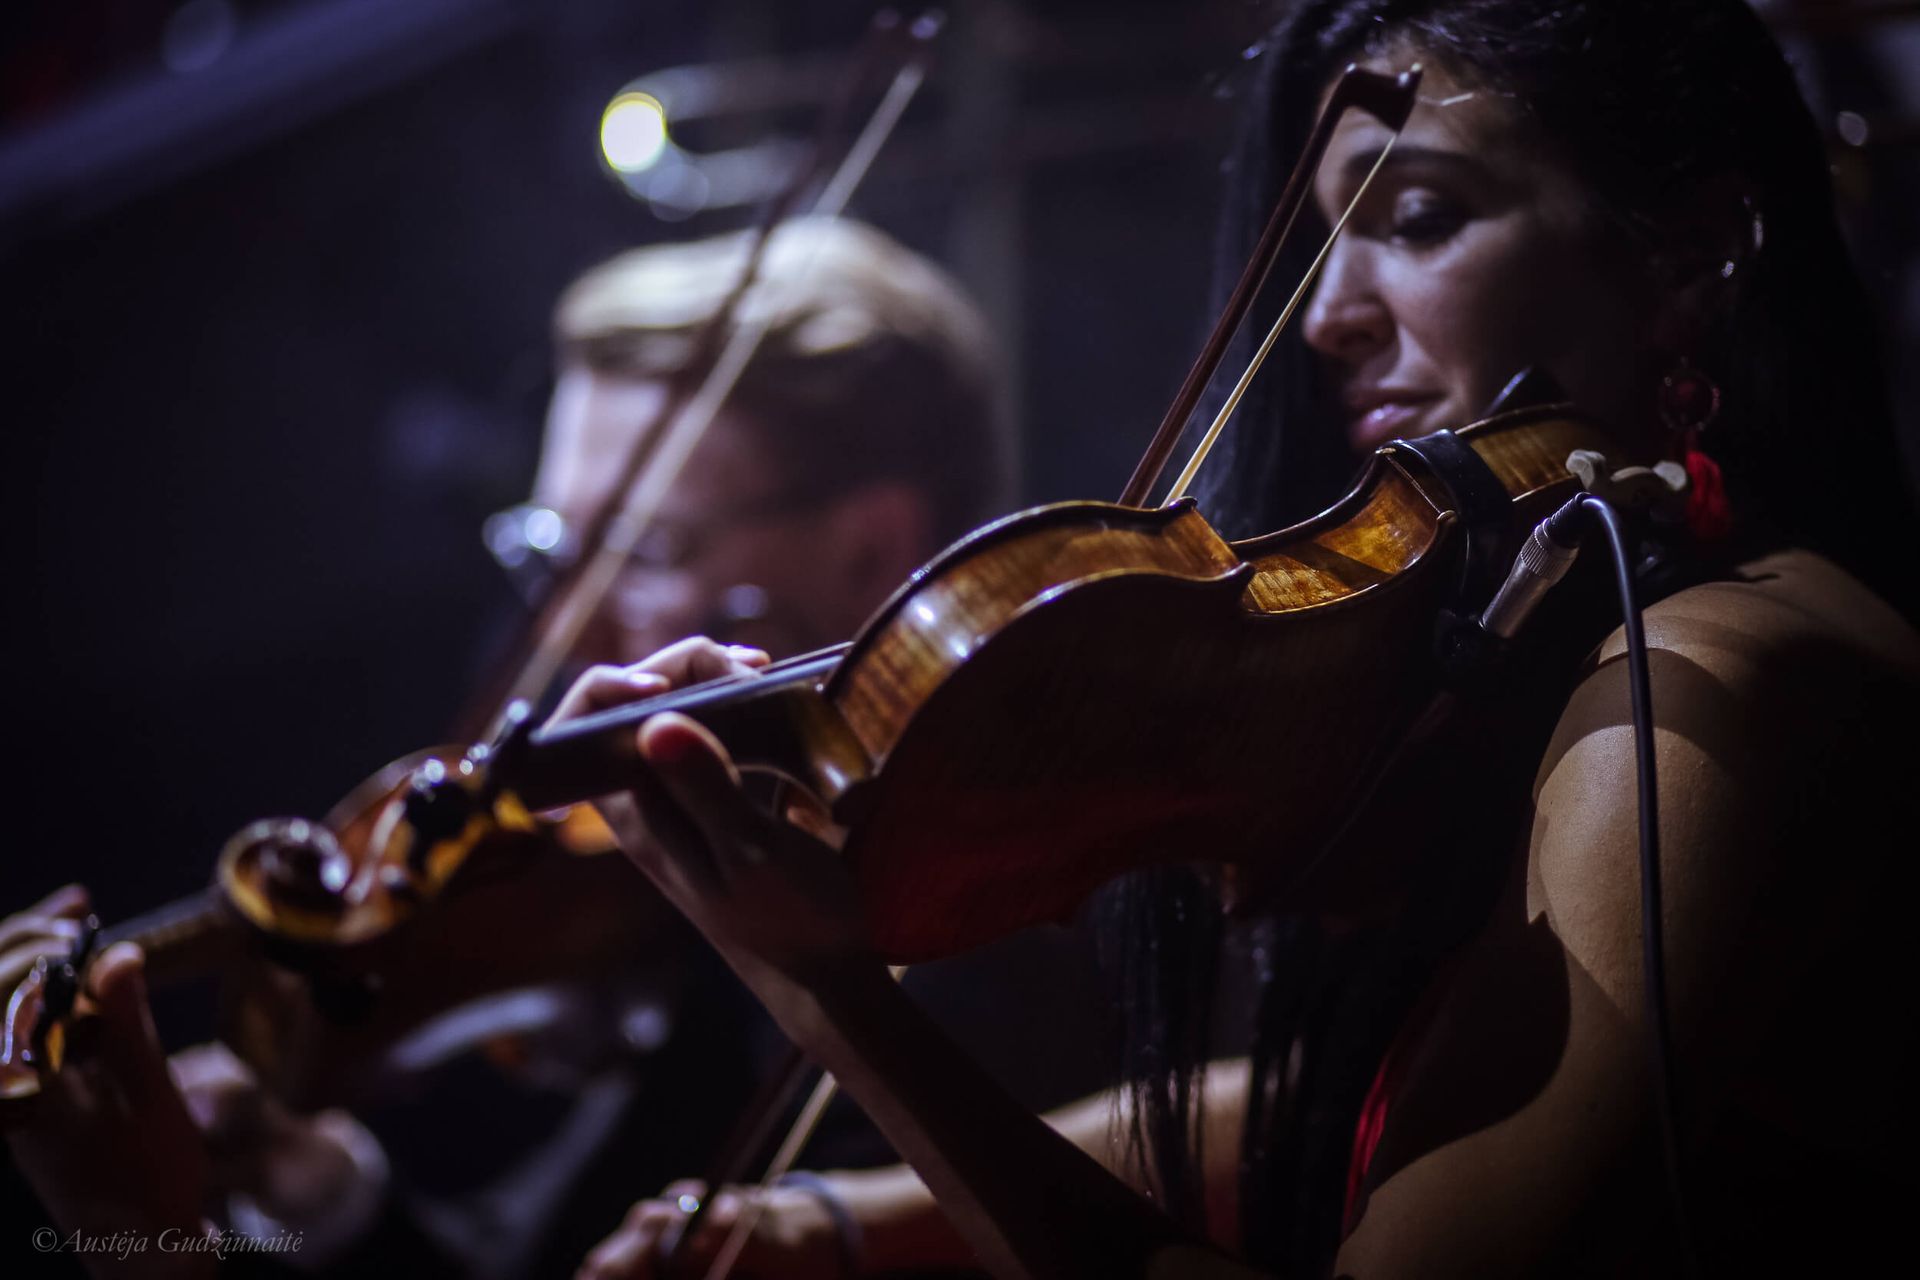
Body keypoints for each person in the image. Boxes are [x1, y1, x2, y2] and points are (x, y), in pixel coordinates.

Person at [549, 3, 1920, 1278]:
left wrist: (834, 995)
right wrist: (840, 1224)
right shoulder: (1570, 656)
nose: (1326, 315)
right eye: (1326, 242)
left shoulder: (1709, 693)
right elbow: (1346, 1097)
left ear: (1689, 259)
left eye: (1424, 217)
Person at [4, 216, 1121, 1279]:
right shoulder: (682, 914)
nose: (568, 637)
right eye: (556, 552)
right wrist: (335, 1196)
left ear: (870, 544)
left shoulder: (1007, 957)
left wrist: (135, 1242)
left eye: (641, 551)